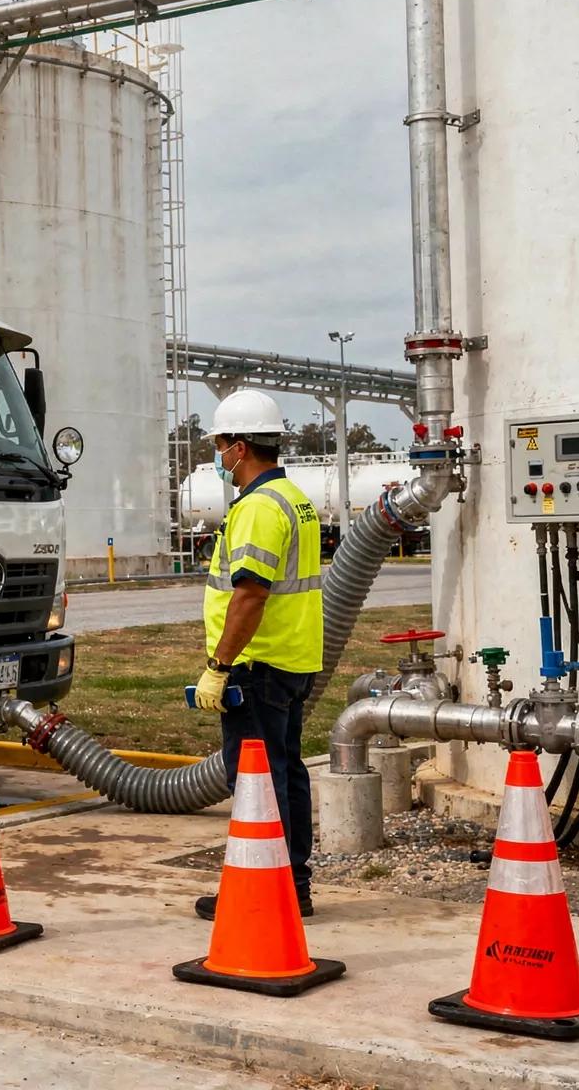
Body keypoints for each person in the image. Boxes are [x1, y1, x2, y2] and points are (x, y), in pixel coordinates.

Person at [192, 389, 324, 919]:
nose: (219, 457)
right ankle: (293, 886)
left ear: (240, 447)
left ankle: (263, 893)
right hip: (293, 660)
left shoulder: (257, 508)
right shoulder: (296, 499)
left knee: (255, 783)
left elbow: (250, 593)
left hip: (257, 665)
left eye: (221, 446)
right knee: (286, 773)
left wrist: (218, 667)